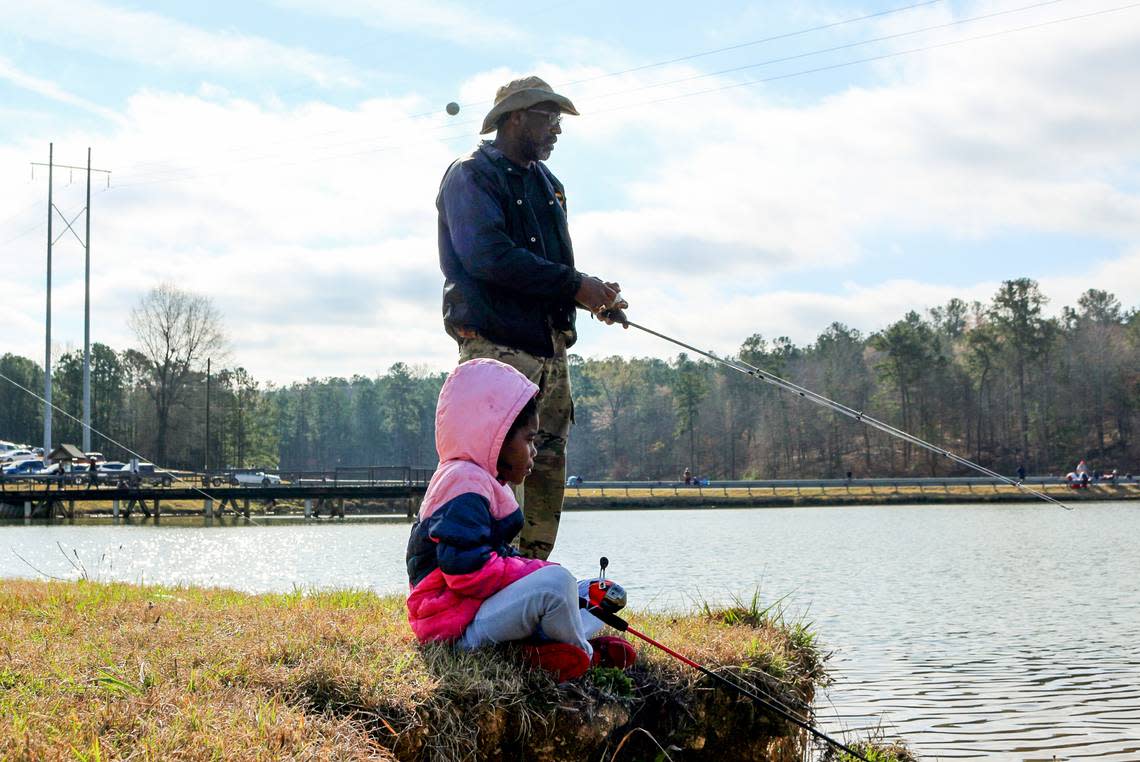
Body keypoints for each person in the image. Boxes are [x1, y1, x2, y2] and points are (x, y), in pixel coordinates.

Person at [436, 75, 628, 561]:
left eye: (559, 119)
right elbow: (487, 256)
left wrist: (589, 296)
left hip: (550, 347)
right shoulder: (471, 175)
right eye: (549, 117)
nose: (558, 129)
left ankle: (529, 570)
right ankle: (486, 571)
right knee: (494, 458)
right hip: (496, 346)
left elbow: (555, 268)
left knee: (547, 458)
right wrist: (573, 285)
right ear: (516, 116)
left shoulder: (549, 186)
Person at [405, 359, 635, 682]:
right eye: (528, 440)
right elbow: (468, 574)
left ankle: (552, 645)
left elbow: (493, 558)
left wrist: (539, 575)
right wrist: (536, 571)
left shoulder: (478, 480)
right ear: (494, 437)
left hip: (473, 612)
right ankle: (583, 654)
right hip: (456, 631)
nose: (534, 452)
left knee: (591, 591)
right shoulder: (463, 484)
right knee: (558, 585)